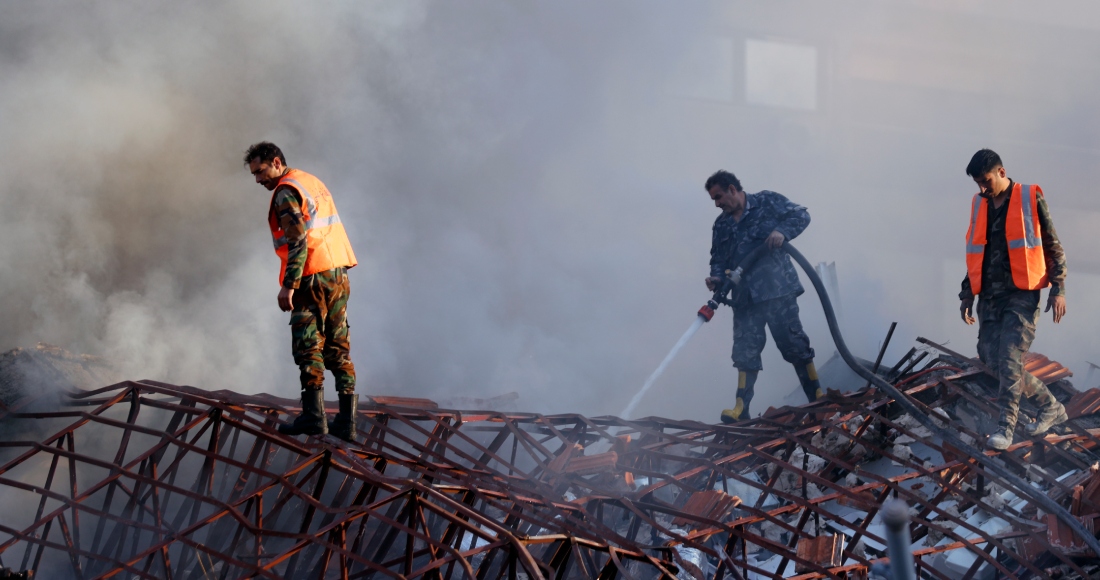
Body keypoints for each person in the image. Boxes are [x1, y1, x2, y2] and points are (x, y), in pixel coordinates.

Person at [245, 142, 360, 441]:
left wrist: (289, 285)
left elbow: (297, 241)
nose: (259, 180)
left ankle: (314, 417)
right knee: (338, 345)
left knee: (308, 344)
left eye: (261, 171)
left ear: (277, 162)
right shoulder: (310, 181)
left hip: (311, 275)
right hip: (337, 271)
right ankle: (347, 422)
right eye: (255, 174)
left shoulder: (285, 191)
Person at [959, 149, 1068, 450]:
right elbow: (974, 252)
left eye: (986, 181)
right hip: (990, 298)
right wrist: (967, 293)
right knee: (991, 358)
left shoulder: (1029, 197)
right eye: (978, 184)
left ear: (1001, 173)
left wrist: (1058, 288)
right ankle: (1051, 407)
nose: (982, 189)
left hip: (1022, 294)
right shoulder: (979, 204)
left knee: (1009, 358)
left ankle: (1005, 429)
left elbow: (1052, 244)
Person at [705, 170, 822, 423]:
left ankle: (817, 397)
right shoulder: (721, 224)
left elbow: (801, 214)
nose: (717, 204)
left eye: (719, 196)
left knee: (795, 345)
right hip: (744, 299)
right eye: (714, 200)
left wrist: (782, 231)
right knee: (745, 352)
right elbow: (718, 258)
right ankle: (740, 408)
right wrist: (716, 278)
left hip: (777, 291)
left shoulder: (767, 202)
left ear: (733, 189)